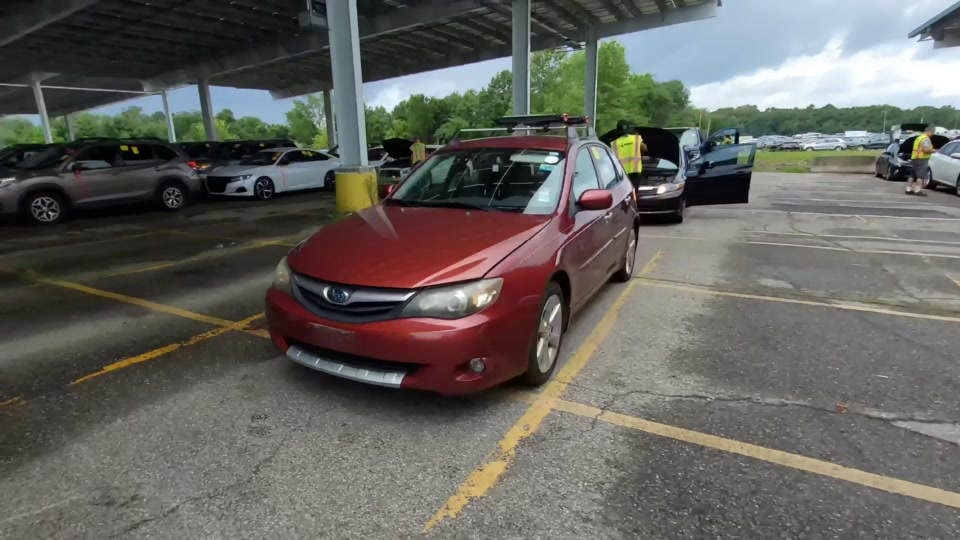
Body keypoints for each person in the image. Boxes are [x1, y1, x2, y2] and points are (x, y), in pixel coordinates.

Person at [907, 125, 935, 196]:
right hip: (922, 158)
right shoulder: (925, 139)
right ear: (929, 131)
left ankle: (908, 189)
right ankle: (917, 190)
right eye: (932, 132)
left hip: (914, 157)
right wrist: (933, 150)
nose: (933, 134)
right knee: (920, 175)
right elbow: (925, 150)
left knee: (912, 175)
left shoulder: (919, 137)